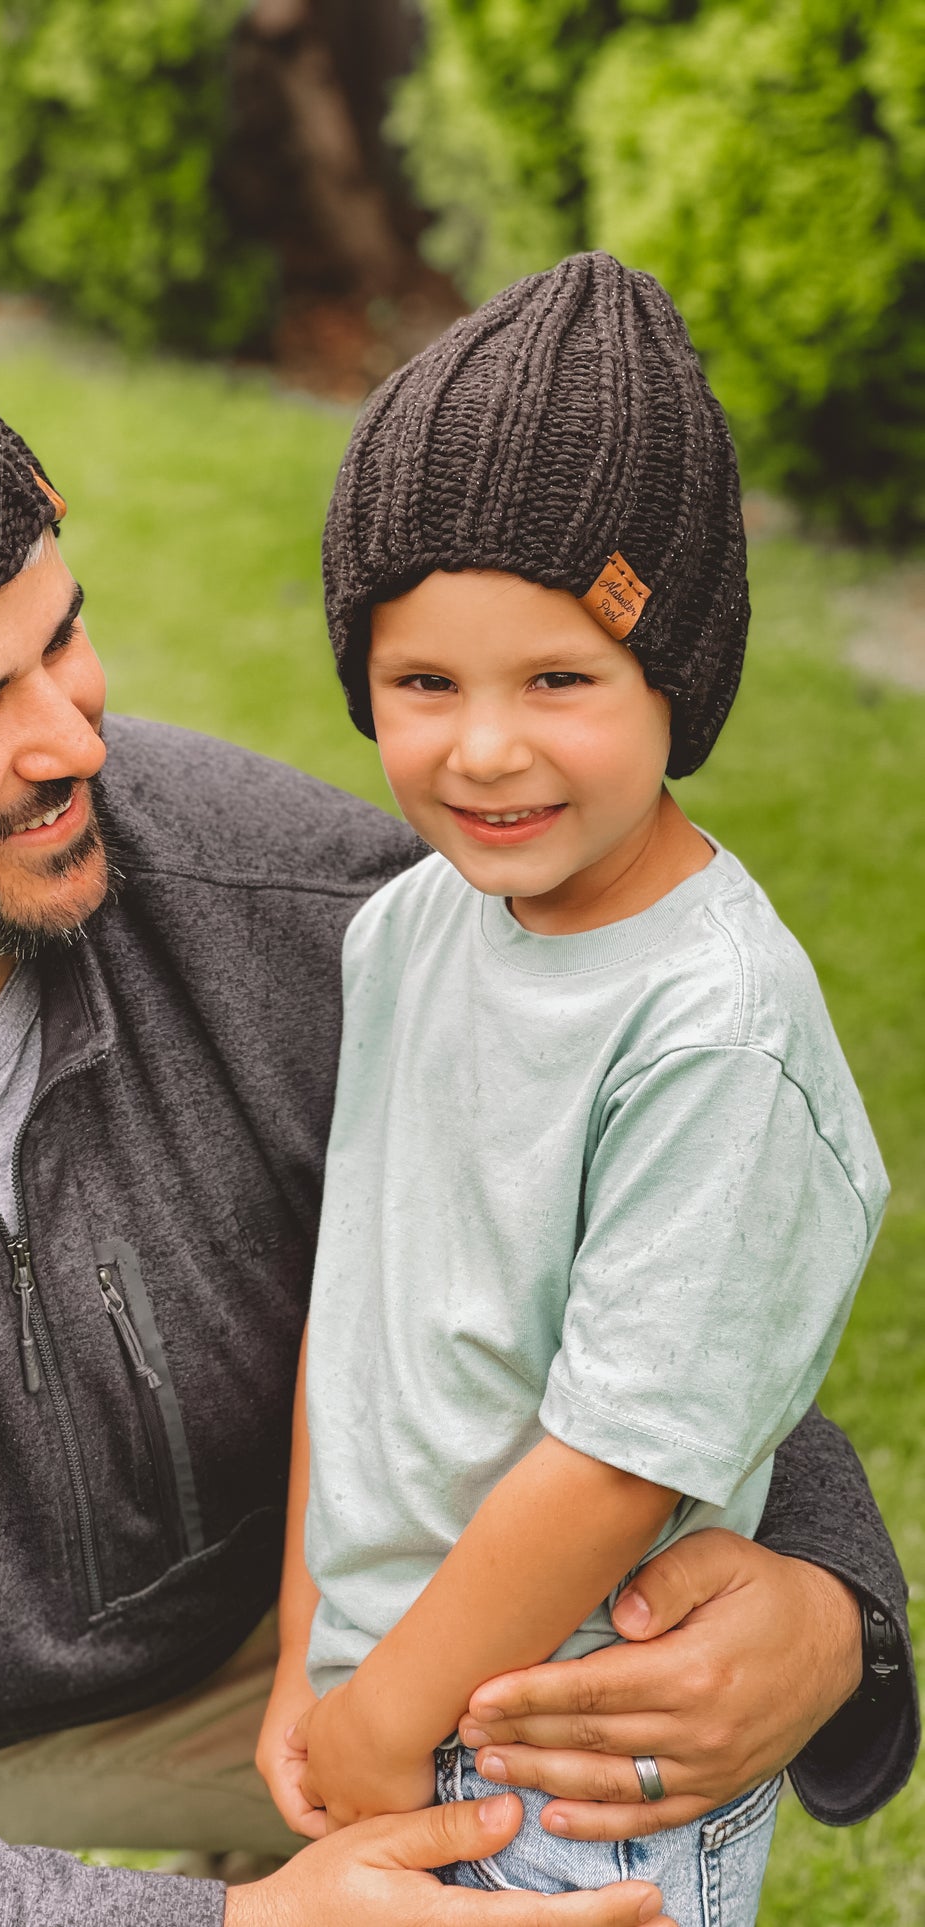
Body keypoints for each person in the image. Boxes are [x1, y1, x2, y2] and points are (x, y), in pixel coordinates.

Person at [0, 321, 913, 1927]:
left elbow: (657, 1262)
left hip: (300, 1660)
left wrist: (829, 1605)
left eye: (62, 638)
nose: (74, 740)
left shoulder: (290, 901)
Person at [256, 254, 897, 1923]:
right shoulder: (409, 929)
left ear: (673, 682)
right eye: (422, 684)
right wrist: (311, 1658)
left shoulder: (712, 1029)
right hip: (377, 1686)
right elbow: (361, 1302)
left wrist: (392, 1720)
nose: (483, 751)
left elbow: (620, 1456)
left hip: (570, 1754)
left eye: (557, 680)